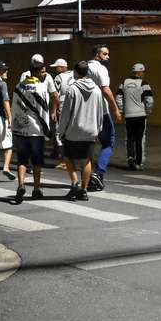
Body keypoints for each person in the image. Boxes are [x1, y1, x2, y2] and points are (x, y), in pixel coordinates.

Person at [57, 61, 104, 202]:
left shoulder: (72, 89)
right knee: (87, 161)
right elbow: (100, 112)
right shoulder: (97, 90)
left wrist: (61, 130)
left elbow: (66, 113)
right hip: (90, 131)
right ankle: (83, 190)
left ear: (75, 73)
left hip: (73, 130)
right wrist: (98, 129)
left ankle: (75, 182)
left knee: (67, 158)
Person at [12, 62, 52, 203]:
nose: (44, 74)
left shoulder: (19, 87)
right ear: (36, 72)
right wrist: (47, 130)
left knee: (22, 160)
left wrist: (14, 128)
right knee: (36, 161)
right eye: (43, 72)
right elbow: (44, 111)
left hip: (22, 131)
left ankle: (21, 184)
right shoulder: (41, 88)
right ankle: (36, 188)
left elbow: (14, 110)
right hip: (36, 131)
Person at [86, 44, 122, 191]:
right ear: (97, 55)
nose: (108, 57)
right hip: (101, 112)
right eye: (105, 54)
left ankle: (85, 177)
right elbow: (106, 90)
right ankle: (99, 174)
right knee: (108, 142)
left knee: (88, 144)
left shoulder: (83, 67)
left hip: (86, 113)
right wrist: (115, 109)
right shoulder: (100, 69)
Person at [116, 63, 154, 170]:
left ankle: (130, 158)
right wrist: (148, 110)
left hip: (129, 116)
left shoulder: (124, 82)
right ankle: (138, 162)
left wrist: (121, 110)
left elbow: (118, 97)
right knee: (140, 139)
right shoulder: (144, 83)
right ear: (139, 72)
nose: (143, 74)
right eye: (142, 72)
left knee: (129, 138)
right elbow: (149, 99)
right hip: (141, 115)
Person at [50, 58, 74, 160]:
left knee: (59, 130)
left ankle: (62, 155)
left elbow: (56, 95)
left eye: (57, 67)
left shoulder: (58, 77)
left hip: (62, 104)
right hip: (74, 104)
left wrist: (54, 110)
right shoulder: (74, 74)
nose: (55, 69)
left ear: (62, 67)